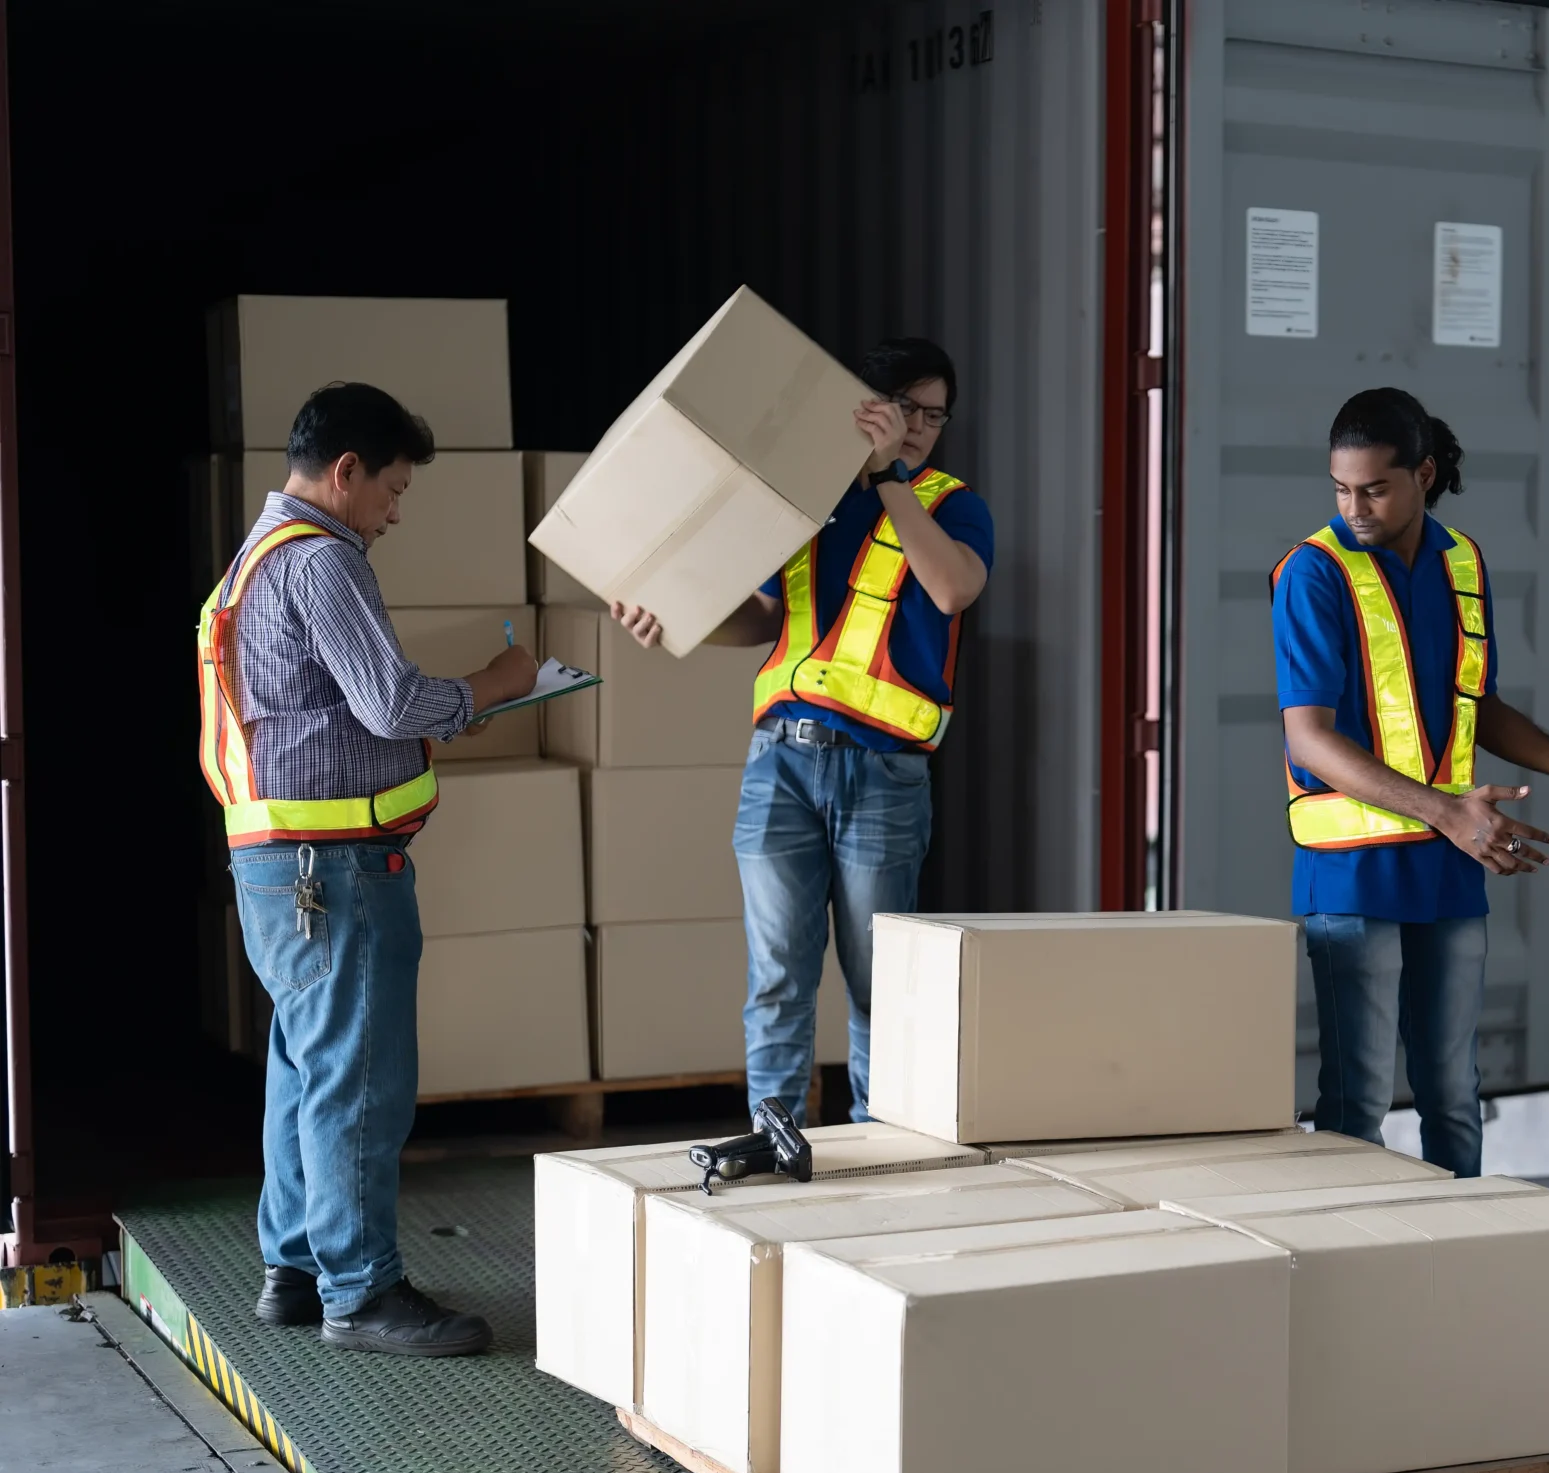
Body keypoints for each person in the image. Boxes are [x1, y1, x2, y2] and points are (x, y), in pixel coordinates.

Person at [201, 382, 535, 1355]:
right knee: (360, 1079)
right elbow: (391, 705)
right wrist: (496, 687)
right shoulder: (320, 564)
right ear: (343, 473)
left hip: (282, 863)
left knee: (306, 1068)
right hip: (335, 867)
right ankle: (362, 1295)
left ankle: (297, 1270)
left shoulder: (251, 562)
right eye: (390, 489)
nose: (394, 511)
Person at [611, 337, 989, 1123]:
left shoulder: (952, 505)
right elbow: (762, 618)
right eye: (905, 409)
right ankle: (772, 1146)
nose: (919, 427)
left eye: (934, 414)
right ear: (865, 408)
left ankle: (877, 1143)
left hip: (883, 773)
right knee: (778, 978)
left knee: (876, 981)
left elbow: (952, 590)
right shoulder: (799, 501)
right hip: (780, 762)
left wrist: (889, 477)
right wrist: (676, 616)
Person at [1271, 389, 1549, 1179]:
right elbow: (1308, 733)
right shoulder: (1313, 572)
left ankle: (1461, 1273)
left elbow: (1472, 707)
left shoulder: (1462, 560)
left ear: (1424, 473)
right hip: (1354, 872)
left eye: (1374, 488)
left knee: (1454, 1092)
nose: (1355, 507)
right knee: (1358, 1100)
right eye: (1342, 489)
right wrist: (1448, 811)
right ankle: (1358, 1276)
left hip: (1449, 869)